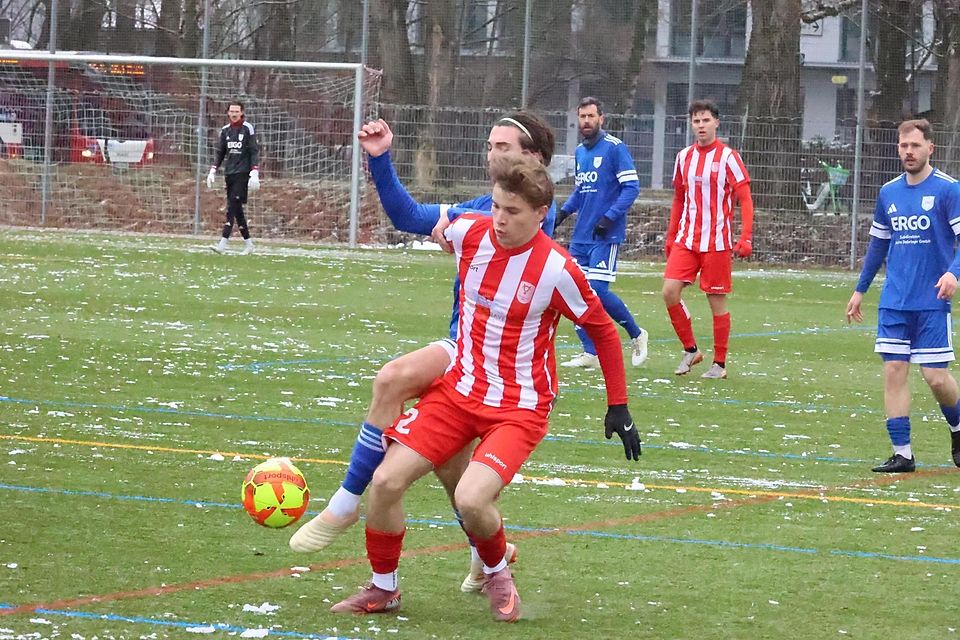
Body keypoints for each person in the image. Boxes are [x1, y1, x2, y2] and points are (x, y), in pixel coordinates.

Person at [329, 154, 640, 622]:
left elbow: (603, 331)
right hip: (458, 393)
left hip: (519, 408)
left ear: (541, 214)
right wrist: (381, 160)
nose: (500, 219)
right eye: (495, 206)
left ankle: (497, 573)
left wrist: (619, 405)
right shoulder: (469, 232)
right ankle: (383, 588)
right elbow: (413, 217)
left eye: (513, 212)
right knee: (386, 482)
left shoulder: (556, 270)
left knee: (471, 498)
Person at [289, 112, 557, 593]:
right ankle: (484, 555)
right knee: (454, 470)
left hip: (493, 364)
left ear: (533, 158)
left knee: (393, 378)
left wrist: (461, 229)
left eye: (503, 147)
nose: (491, 154)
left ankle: (347, 503)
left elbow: (506, 241)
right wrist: (380, 159)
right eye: (489, 145)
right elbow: (409, 217)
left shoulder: (529, 214)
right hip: (465, 352)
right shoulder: (487, 207)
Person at [845, 118, 960, 473]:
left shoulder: (948, 190)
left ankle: (958, 427)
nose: (909, 152)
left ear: (930, 148)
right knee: (894, 370)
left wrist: (953, 273)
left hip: (931, 301)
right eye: (904, 146)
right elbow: (878, 245)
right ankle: (903, 454)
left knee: (935, 377)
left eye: (915, 146)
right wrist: (860, 289)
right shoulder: (888, 193)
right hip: (895, 301)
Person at [663, 99, 754, 379]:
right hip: (687, 240)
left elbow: (745, 198)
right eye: (696, 121)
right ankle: (690, 349)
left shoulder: (728, 157)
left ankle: (720, 364)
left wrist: (746, 237)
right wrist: (671, 235)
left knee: (716, 302)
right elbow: (679, 198)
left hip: (717, 242)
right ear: (691, 124)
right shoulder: (684, 157)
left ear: (716, 123)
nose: (701, 125)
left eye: (706, 120)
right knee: (669, 292)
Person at [556, 97, 649, 369]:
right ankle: (590, 352)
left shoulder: (614, 148)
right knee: (573, 291)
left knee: (596, 290)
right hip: (581, 236)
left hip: (605, 235)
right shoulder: (580, 152)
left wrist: (609, 218)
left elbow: (631, 188)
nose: (586, 121)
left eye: (591, 116)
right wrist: (562, 213)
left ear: (601, 118)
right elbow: (580, 190)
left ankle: (636, 333)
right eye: (582, 116)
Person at [207, 101, 260, 255]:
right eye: (232, 111)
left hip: (242, 174)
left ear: (242, 113)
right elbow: (221, 152)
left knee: (232, 207)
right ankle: (249, 244)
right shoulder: (225, 131)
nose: (234, 114)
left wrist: (254, 172)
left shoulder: (248, 128)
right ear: (228, 113)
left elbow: (253, 151)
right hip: (229, 173)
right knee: (237, 210)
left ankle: (222, 244)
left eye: (237, 111)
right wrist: (213, 170)